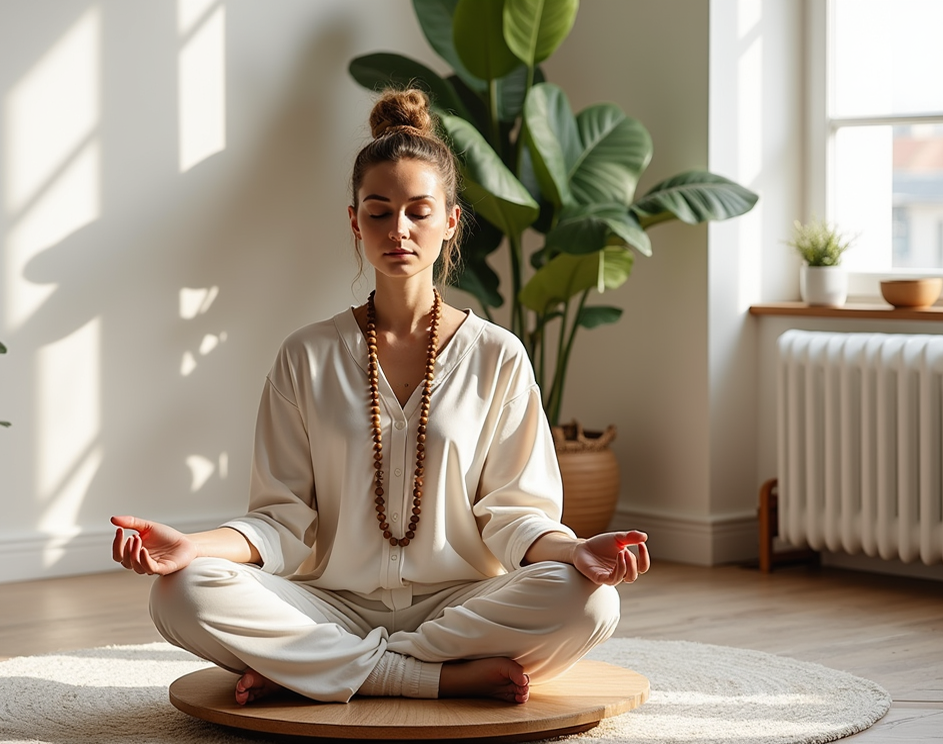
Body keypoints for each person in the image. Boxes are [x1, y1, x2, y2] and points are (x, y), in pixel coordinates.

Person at [111, 88, 649, 707]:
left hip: (463, 606)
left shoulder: (498, 356)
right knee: (180, 592)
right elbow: (280, 522)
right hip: (329, 606)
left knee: (590, 601)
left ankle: (319, 672)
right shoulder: (305, 356)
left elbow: (515, 518)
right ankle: (432, 678)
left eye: (419, 211)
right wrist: (193, 547)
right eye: (378, 210)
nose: (399, 229)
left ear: (450, 221)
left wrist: (577, 551)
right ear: (354, 221)